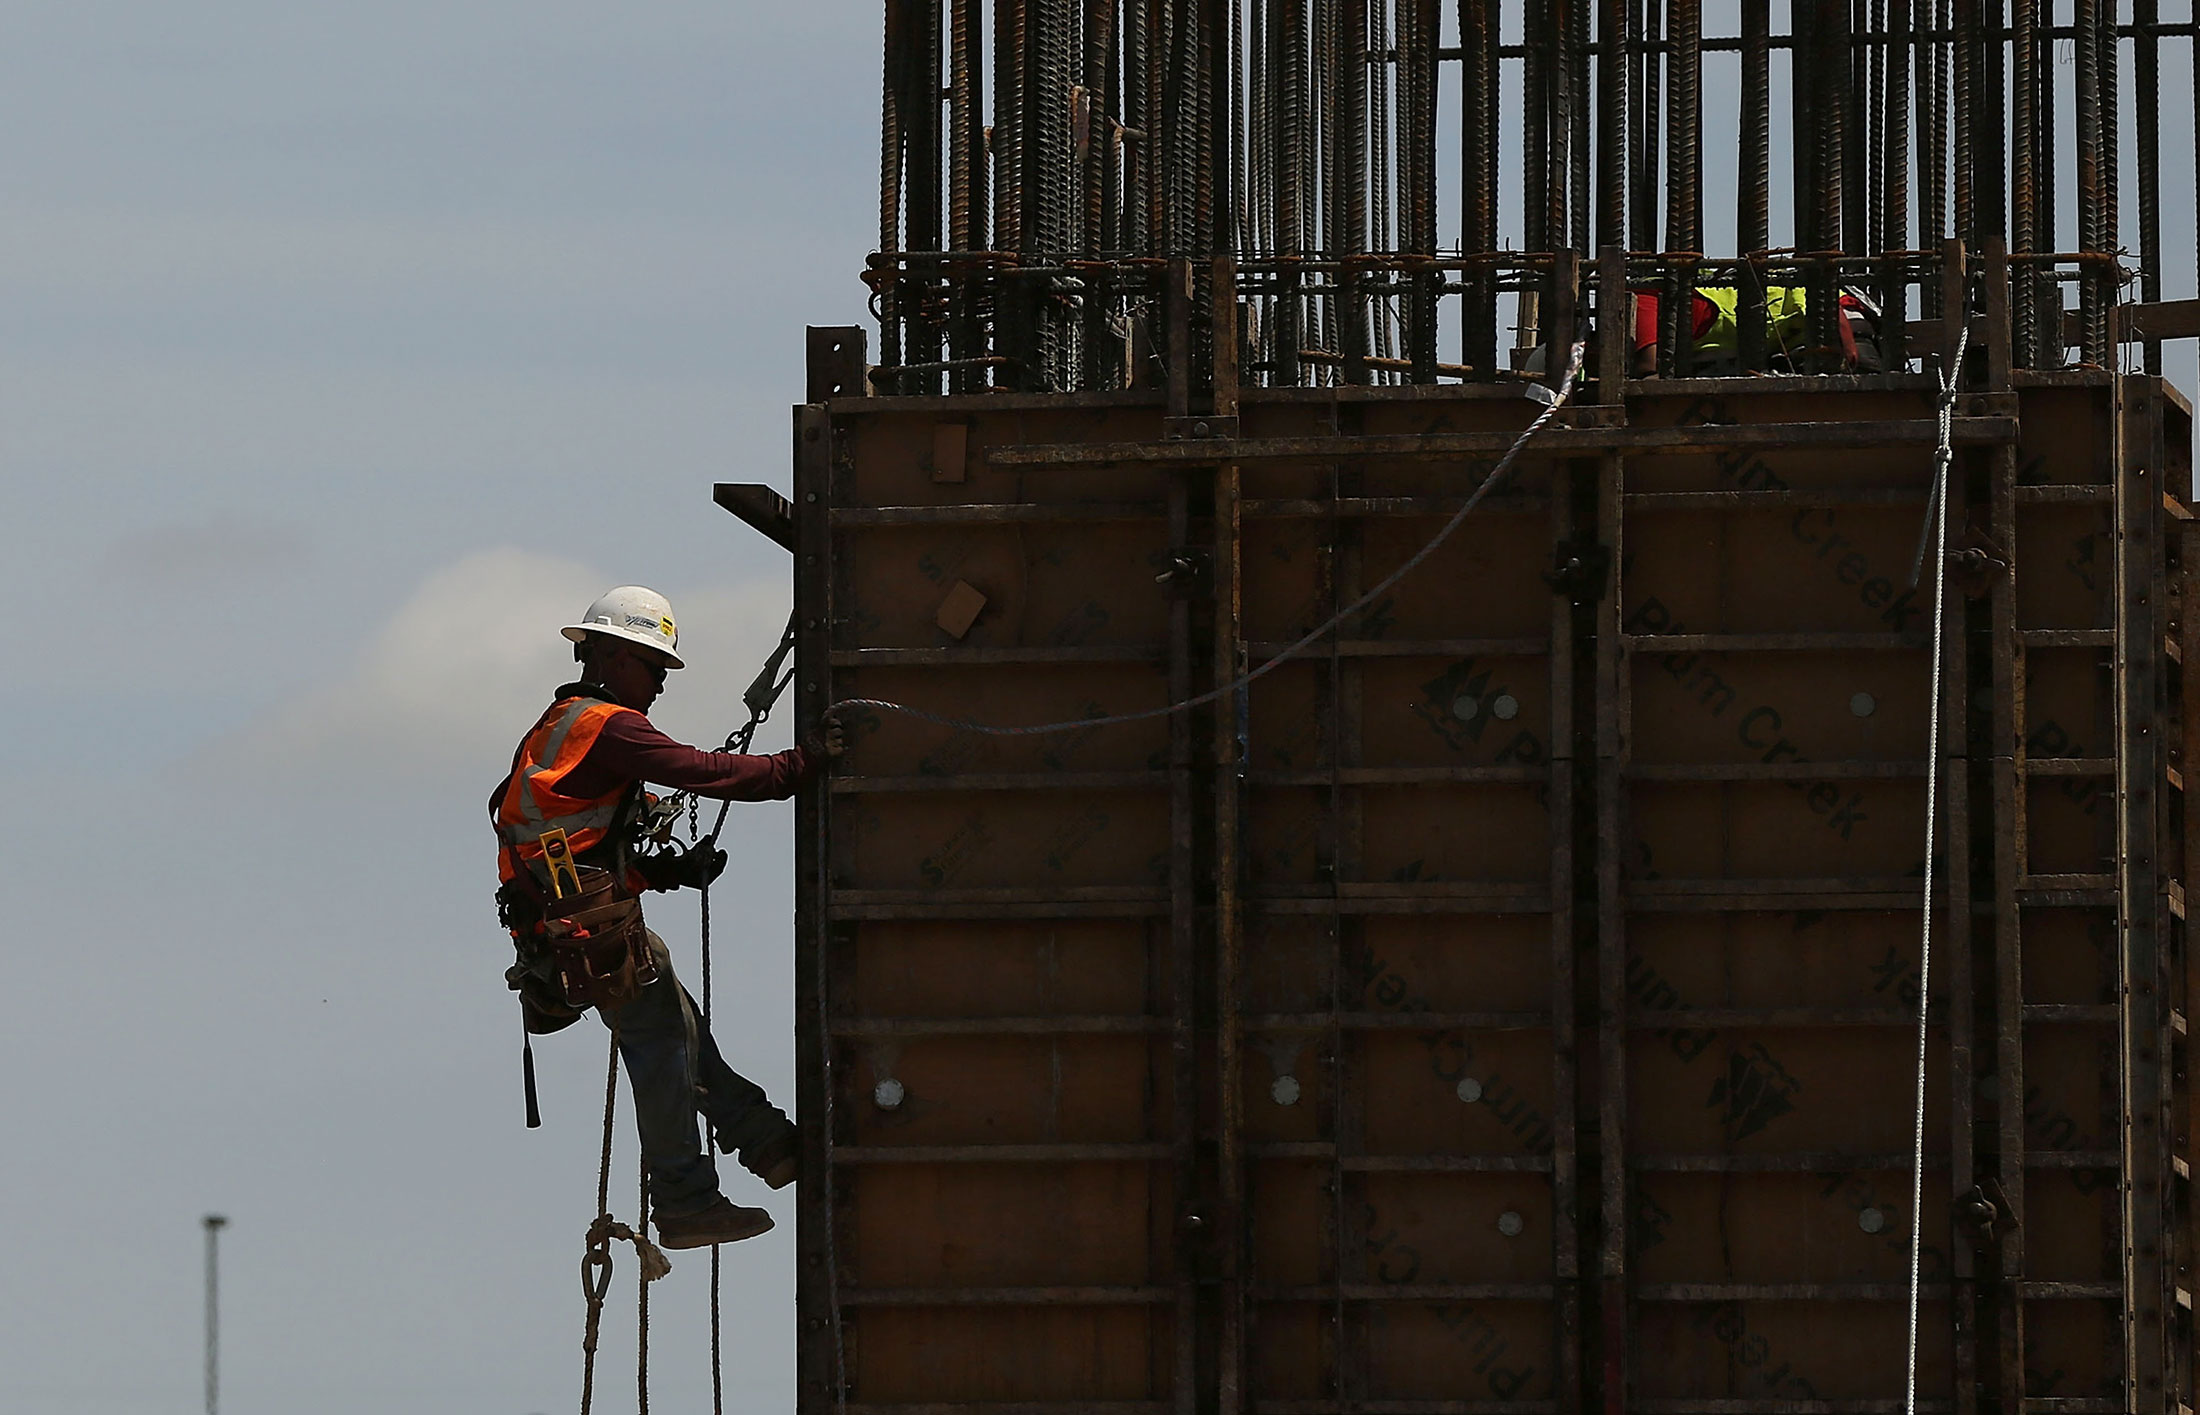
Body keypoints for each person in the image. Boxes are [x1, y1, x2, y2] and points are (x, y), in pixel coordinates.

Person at [491, 585, 847, 1249]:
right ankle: (686, 1197)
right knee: (661, 1046)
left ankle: (765, 1140)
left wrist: (666, 872)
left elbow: (575, 842)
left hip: (571, 924)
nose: (659, 682)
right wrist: (803, 763)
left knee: (679, 1031)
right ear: (617, 654)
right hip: (587, 929)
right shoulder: (611, 727)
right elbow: (704, 770)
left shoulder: (561, 724)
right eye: (654, 666)